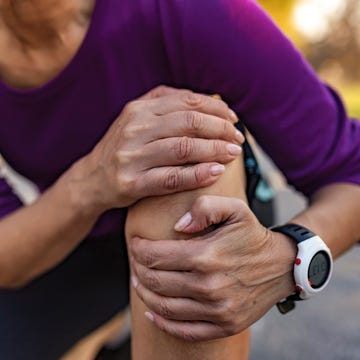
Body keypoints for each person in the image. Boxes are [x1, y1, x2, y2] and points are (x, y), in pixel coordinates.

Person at [0, 0, 359, 359]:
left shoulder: (191, 10)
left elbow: (350, 170)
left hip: (201, 214)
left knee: (182, 149)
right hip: (78, 232)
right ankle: (106, 328)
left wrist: (287, 258)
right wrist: (92, 181)